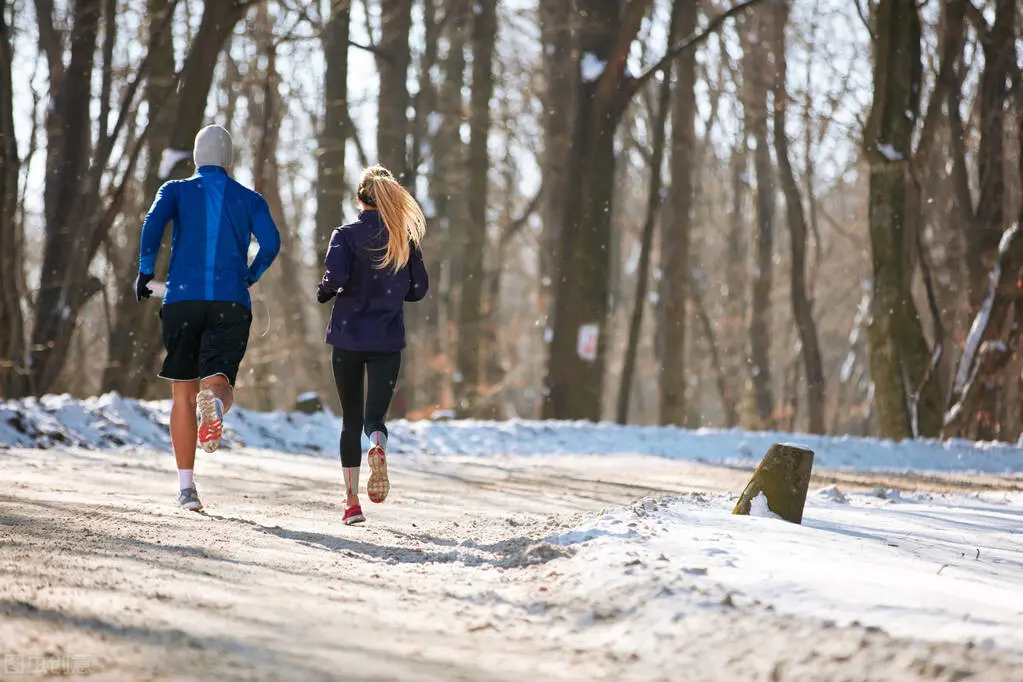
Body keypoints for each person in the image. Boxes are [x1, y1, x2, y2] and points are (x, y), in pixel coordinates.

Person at [135, 124, 281, 512]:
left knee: (182, 395)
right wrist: (249, 274)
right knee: (218, 382)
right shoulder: (250, 199)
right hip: (230, 302)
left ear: (197, 157)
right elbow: (271, 243)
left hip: (183, 300)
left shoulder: (176, 190)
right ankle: (214, 404)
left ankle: (186, 489)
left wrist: (146, 270)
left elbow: (151, 226)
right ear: (229, 160)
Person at [317, 165, 428, 525]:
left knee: (349, 420)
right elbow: (418, 290)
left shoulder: (345, 235)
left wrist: (326, 290)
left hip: (348, 338)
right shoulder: (403, 239)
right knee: (373, 417)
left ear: (358, 198)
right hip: (387, 340)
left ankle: (351, 503)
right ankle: (378, 444)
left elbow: (337, 277)